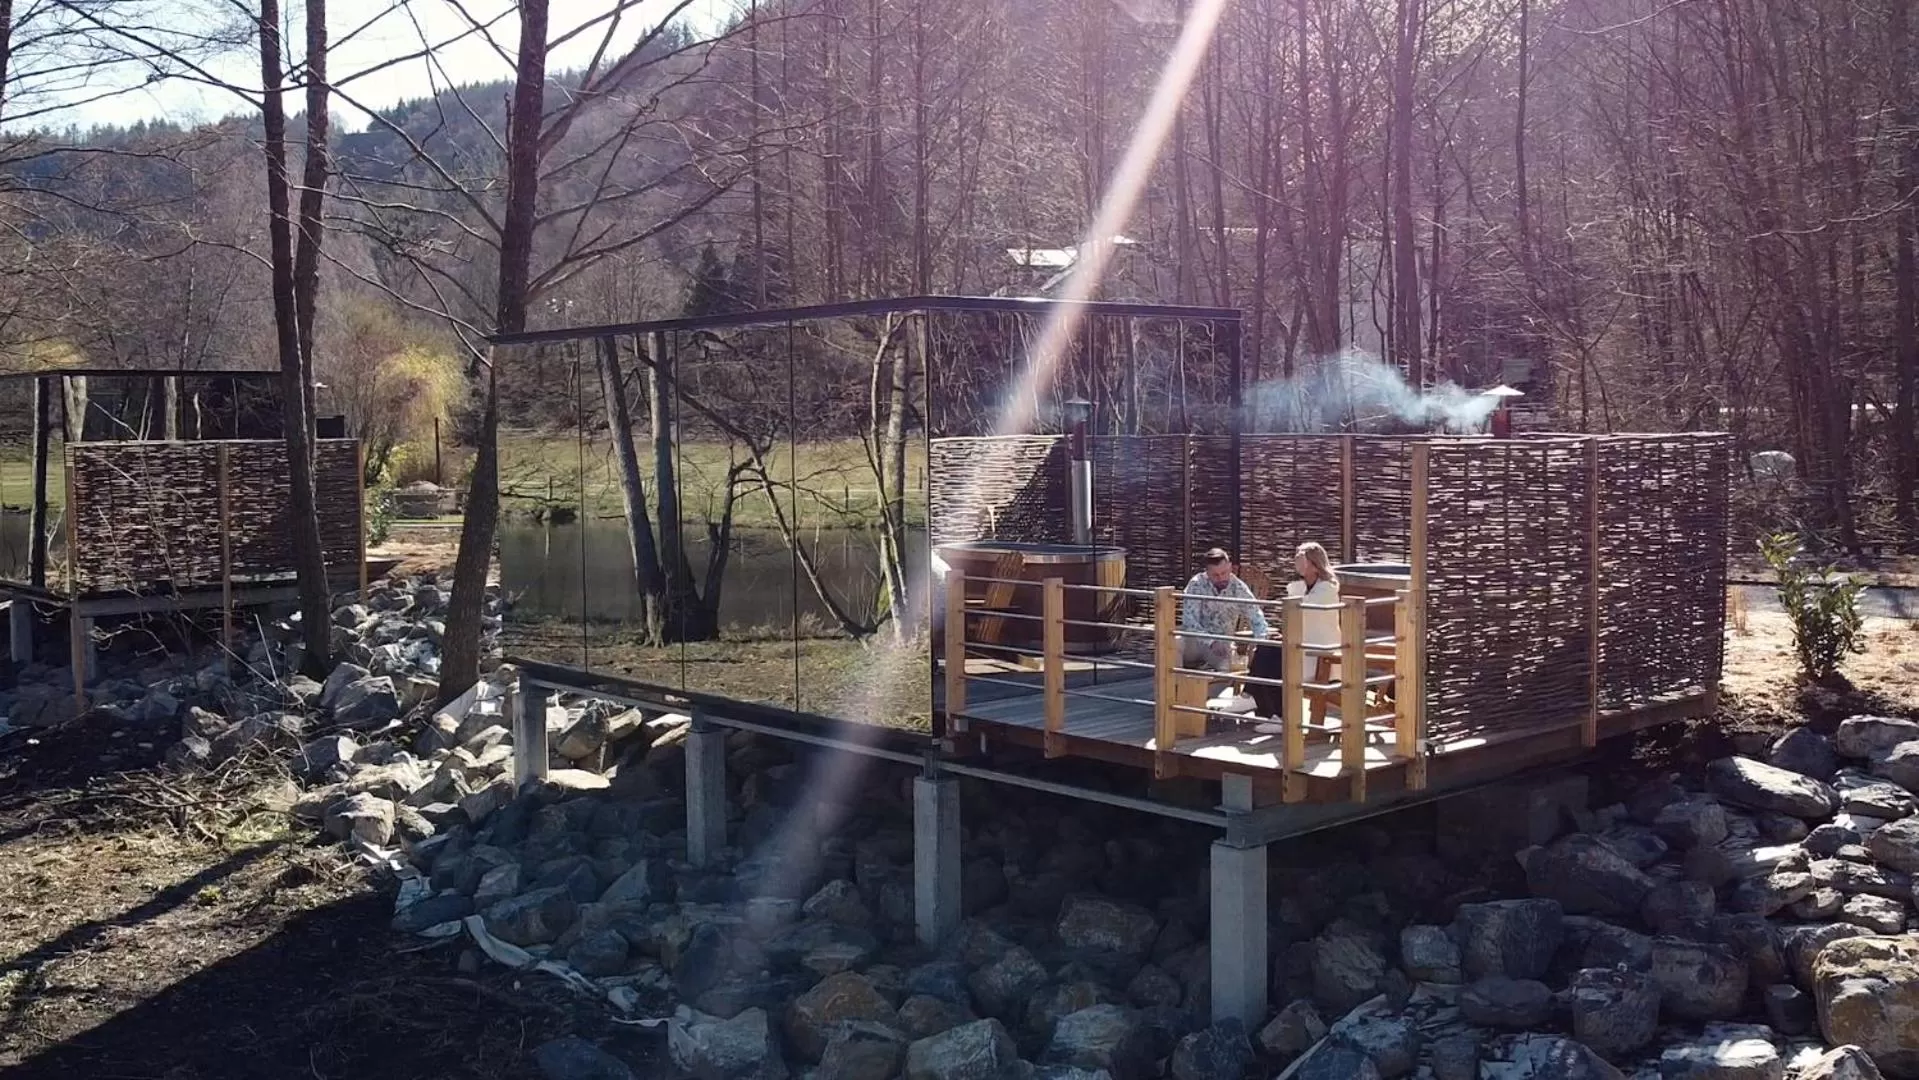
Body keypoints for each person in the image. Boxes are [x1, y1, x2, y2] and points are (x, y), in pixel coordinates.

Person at [1179, 548, 1270, 672]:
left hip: (1223, 646)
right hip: (1196, 641)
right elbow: (1189, 622)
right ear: (1207, 572)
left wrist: (1261, 643)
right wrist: (1211, 642)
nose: (1221, 578)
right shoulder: (1196, 584)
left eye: (1224, 572)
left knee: (1229, 669)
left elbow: (1256, 616)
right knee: (1174, 643)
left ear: (1230, 567)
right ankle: (1172, 686)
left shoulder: (1238, 587)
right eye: (1215, 575)